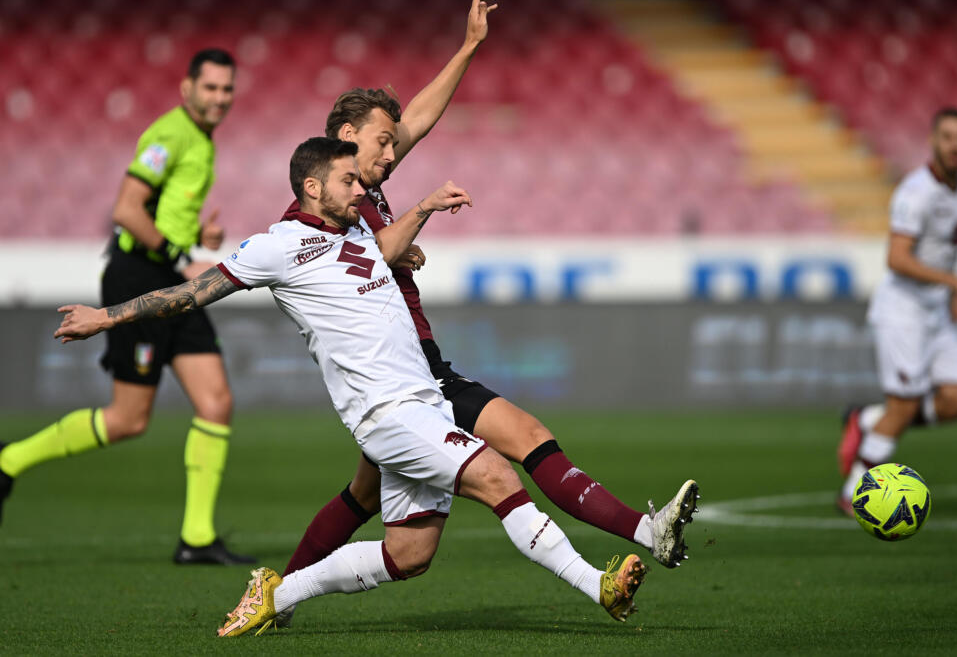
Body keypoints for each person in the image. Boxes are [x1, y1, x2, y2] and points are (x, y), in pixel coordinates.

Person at [54, 137, 652, 635]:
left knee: (409, 555)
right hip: (386, 413)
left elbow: (387, 240)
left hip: (426, 403)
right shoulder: (276, 246)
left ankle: (278, 592)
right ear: (312, 186)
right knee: (498, 475)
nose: (360, 190)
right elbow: (191, 292)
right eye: (348, 181)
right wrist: (108, 317)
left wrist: (419, 218)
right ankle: (598, 587)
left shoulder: (357, 236)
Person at [278, 0, 698, 606]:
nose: (393, 154)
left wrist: (470, 46)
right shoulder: (332, 203)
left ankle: (275, 593)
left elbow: (416, 118)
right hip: (403, 372)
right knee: (522, 442)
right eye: (382, 144)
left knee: (368, 503)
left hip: (414, 364)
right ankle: (639, 536)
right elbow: (348, 261)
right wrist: (406, 237)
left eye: (395, 145)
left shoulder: (363, 191)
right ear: (347, 138)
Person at [0, 48, 254, 565]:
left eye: (227, 89)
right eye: (210, 88)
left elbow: (162, 211)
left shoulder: (199, 141)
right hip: (139, 275)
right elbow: (126, 210)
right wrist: (179, 252)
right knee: (127, 420)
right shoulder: (169, 135)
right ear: (187, 89)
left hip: (168, 277)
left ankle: (197, 539)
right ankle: (8, 461)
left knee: (216, 402)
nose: (220, 98)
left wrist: (198, 233)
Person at [837, 107, 957, 513]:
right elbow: (897, 258)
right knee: (902, 407)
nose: (955, 146)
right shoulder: (915, 192)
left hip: (936, 311)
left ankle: (867, 420)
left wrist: (952, 293)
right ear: (934, 142)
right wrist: (955, 283)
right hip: (903, 311)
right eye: (948, 137)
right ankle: (851, 493)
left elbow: (948, 248)